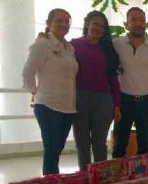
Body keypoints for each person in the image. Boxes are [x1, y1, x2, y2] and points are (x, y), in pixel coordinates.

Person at [22, 8, 78, 175]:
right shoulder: (42, 44)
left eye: (66, 21)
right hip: (48, 106)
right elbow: (27, 73)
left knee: (57, 149)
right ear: (48, 23)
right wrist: (34, 91)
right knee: (51, 150)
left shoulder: (69, 48)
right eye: (58, 20)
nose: (63, 24)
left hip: (68, 108)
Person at [70, 11, 121, 171]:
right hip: (79, 99)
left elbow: (113, 79)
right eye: (95, 24)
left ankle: (100, 179)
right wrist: (44, 36)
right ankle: (84, 178)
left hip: (103, 101)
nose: (98, 28)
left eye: (102, 26)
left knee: (99, 144)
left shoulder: (108, 50)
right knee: (82, 143)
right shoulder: (73, 45)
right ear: (87, 24)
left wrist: (117, 105)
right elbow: (54, 47)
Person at [112, 7, 148, 157]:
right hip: (123, 102)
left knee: (144, 149)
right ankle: (117, 179)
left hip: (145, 103)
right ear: (126, 24)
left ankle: (142, 180)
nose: (138, 23)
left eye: (142, 20)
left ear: (146, 24)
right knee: (119, 147)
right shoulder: (116, 44)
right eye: (134, 20)